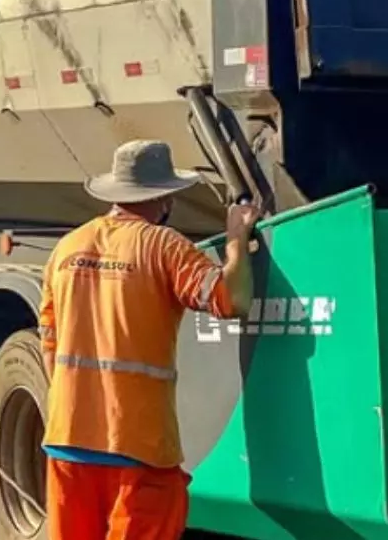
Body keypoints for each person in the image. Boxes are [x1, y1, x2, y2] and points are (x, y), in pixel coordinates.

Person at [39, 139, 258, 540]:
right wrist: (236, 239)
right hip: (138, 447)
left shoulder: (65, 249)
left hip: (66, 443)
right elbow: (234, 299)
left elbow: (49, 343)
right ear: (166, 198)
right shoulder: (164, 247)